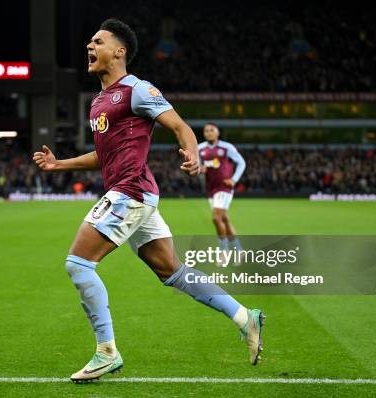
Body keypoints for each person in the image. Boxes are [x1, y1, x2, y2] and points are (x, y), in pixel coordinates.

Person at [33, 19, 264, 383]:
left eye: (98, 41)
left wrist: (193, 154)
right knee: (172, 272)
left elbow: (180, 127)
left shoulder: (137, 90)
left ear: (119, 51)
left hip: (131, 191)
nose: (89, 47)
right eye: (89, 42)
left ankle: (106, 351)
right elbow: (103, 156)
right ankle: (244, 317)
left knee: (79, 264)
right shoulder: (97, 103)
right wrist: (59, 163)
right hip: (135, 193)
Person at [198, 123, 246, 260]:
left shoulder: (226, 147)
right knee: (224, 219)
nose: (208, 133)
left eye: (211, 130)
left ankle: (223, 251)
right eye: (206, 130)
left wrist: (234, 179)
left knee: (215, 217)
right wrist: (200, 169)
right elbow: (198, 167)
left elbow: (242, 162)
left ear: (218, 132)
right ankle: (238, 249)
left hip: (224, 187)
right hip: (211, 188)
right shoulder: (200, 148)